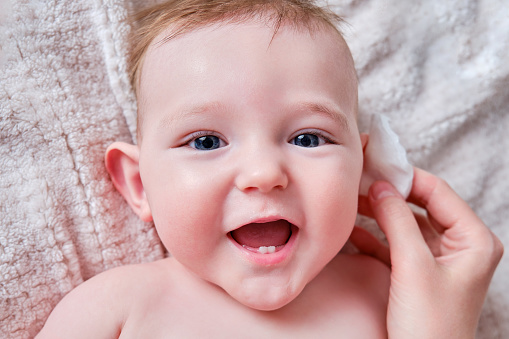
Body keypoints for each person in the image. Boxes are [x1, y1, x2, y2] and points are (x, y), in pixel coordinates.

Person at [37, 0, 503, 338]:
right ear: (140, 185)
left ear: (361, 166)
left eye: (308, 138)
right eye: (206, 141)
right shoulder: (115, 308)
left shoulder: (398, 300)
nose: (264, 173)